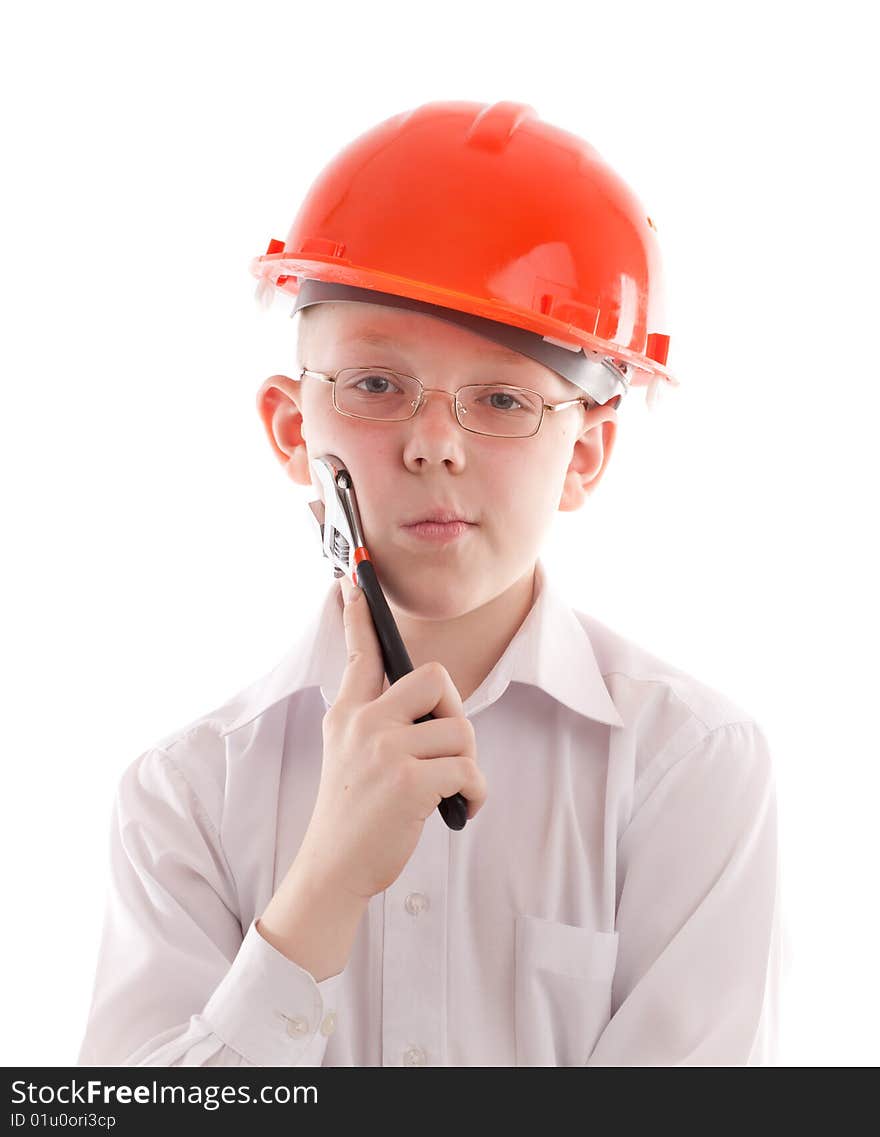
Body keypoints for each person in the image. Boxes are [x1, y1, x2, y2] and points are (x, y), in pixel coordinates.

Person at [76, 100, 785, 1067]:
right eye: (375, 384)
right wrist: (321, 886)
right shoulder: (186, 796)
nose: (434, 445)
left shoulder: (689, 767)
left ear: (588, 455)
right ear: (293, 429)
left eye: (502, 398)